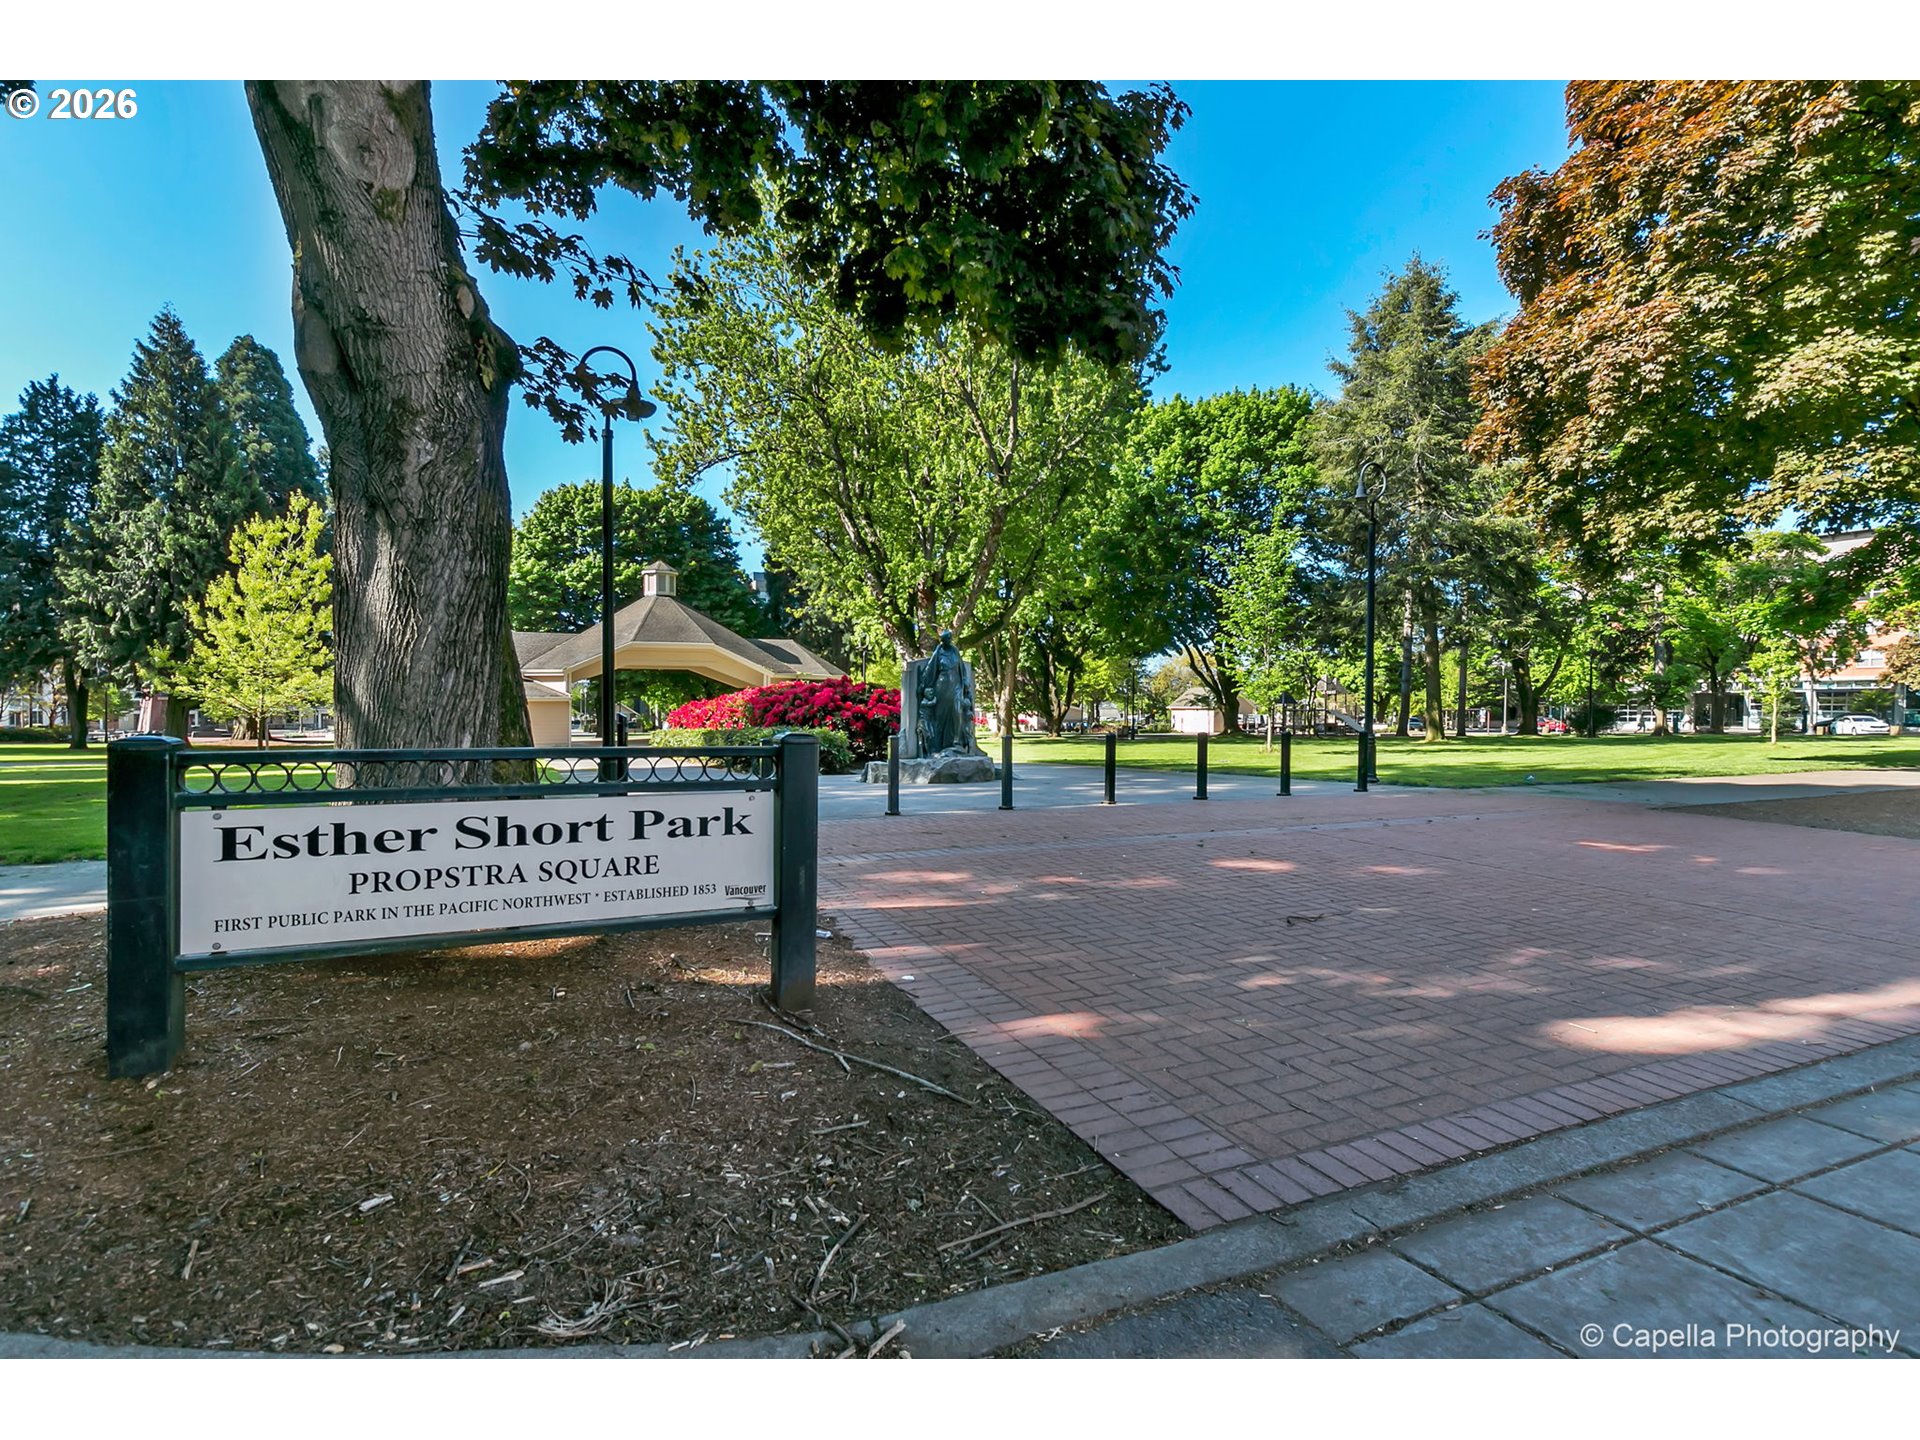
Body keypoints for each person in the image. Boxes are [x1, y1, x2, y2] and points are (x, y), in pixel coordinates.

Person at [915, 630, 974, 755]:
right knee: (941, 715)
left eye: (947, 639)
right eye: (943, 640)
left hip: (956, 686)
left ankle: (956, 743)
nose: (945, 642)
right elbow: (930, 671)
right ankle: (938, 745)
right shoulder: (938, 652)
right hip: (942, 686)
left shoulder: (955, 651)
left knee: (956, 712)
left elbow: (962, 669)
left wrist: (965, 681)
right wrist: (924, 688)